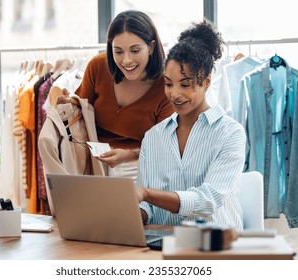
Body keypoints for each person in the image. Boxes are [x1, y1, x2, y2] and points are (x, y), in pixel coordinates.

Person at [136, 20, 246, 230]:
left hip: (217, 248)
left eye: (185, 84)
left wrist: (147, 194)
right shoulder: (153, 136)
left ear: (206, 82)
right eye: (168, 84)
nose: (175, 94)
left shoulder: (231, 133)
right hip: (163, 243)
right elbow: (146, 205)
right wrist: (129, 212)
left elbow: (208, 201)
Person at [74, 10, 174, 179]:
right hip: (92, 160)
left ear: (151, 47)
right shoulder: (98, 67)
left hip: (138, 165)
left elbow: (163, 147)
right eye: (118, 52)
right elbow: (80, 114)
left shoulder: (166, 86)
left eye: (135, 51)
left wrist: (129, 155)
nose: (126, 60)